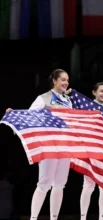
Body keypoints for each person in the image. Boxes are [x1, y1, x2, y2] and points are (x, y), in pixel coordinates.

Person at [6, 69, 72, 220]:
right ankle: (34, 218)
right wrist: (15, 115)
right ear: (54, 81)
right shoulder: (43, 98)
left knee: (60, 184)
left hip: (64, 145)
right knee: (44, 183)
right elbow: (29, 116)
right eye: (62, 79)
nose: (66, 83)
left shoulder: (68, 101)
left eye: (67, 80)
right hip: (49, 146)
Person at [78, 82, 103, 220]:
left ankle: (102, 218)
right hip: (90, 150)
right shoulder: (87, 108)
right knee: (88, 185)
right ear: (94, 92)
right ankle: (83, 217)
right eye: (102, 91)